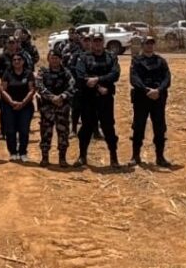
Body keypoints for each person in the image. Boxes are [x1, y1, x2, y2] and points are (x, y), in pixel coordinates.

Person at [74, 33, 121, 168]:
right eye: (95, 41)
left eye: (99, 41)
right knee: (86, 128)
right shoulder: (83, 57)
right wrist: (99, 85)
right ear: (91, 43)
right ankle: (82, 156)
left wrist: (97, 79)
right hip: (88, 98)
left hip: (105, 98)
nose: (97, 43)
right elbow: (80, 75)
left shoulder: (111, 57)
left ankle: (114, 157)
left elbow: (115, 74)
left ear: (103, 42)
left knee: (108, 127)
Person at [130, 36, 172, 167]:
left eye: (151, 44)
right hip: (142, 97)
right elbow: (134, 78)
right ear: (142, 45)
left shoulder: (161, 61)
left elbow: (167, 78)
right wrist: (146, 90)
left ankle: (160, 157)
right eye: (147, 44)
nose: (149, 46)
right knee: (138, 126)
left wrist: (158, 90)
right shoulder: (136, 61)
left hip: (158, 98)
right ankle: (135, 156)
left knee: (159, 128)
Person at [37, 51, 75, 167]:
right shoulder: (43, 72)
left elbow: (72, 86)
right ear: (48, 59)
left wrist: (62, 96)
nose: (54, 60)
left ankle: (62, 158)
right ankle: (45, 157)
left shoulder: (66, 72)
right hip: (47, 108)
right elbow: (39, 86)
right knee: (45, 133)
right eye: (52, 58)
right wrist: (52, 97)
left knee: (63, 133)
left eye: (56, 58)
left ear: (60, 59)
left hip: (62, 107)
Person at [0, 52, 36, 162]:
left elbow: (32, 90)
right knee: (10, 130)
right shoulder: (7, 73)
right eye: (14, 59)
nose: (16, 61)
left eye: (19, 59)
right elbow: (3, 90)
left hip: (25, 106)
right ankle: (13, 152)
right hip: (9, 106)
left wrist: (23, 102)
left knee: (24, 130)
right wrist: (11, 102)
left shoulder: (28, 73)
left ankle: (23, 152)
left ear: (23, 61)